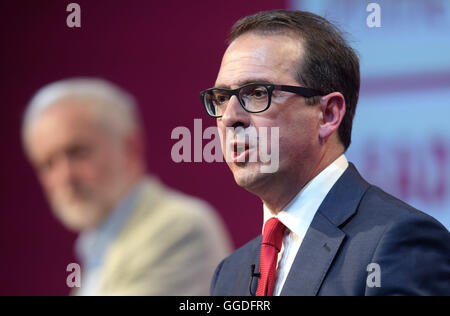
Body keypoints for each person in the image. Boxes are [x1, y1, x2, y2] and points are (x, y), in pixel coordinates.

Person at [202, 10, 450, 296]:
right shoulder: (229, 274)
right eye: (221, 98)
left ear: (329, 114)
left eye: (257, 93)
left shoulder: (400, 243)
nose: (230, 117)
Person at [22, 77, 232, 296]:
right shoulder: (96, 248)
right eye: (47, 164)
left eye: (77, 153)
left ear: (130, 149)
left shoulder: (180, 228)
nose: (65, 177)